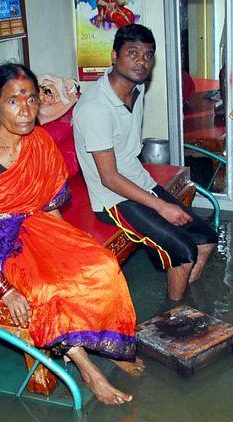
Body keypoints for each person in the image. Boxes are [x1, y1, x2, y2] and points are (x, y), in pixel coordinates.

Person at [0, 64, 136, 406]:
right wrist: (4, 290)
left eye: (32, 100)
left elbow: (50, 209)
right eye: (13, 101)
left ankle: (107, 345)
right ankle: (88, 371)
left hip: (37, 224)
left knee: (100, 264)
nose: (25, 110)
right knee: (46, 288)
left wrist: (68, 248)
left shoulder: (40, 141)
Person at [73, 24, 218, 302]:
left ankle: (189, 296)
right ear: (114, 55)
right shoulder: (95, 108)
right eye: (133, 53)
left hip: (140, 183)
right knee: (184, 250)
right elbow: (109, 178)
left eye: (148, 55)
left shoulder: (136, 90)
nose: (142, 61)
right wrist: (162, 206)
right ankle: (173, 314)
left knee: (207, 236)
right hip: (111, 200)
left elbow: (129, 154)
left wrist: (158, 199)